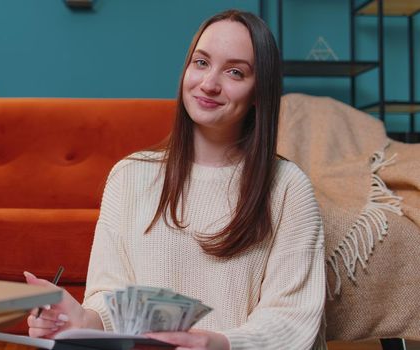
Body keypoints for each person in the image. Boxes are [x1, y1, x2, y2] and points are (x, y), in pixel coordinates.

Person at [24, 9, 325, 350]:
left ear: (259, 92)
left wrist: (218, 343)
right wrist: (79, 320)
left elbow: (291, 319)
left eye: (235, 72)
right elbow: (111, 301)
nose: (209, 84)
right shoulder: (129, 175)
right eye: (201, 62)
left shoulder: (288, 187)